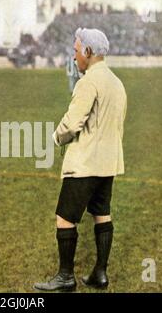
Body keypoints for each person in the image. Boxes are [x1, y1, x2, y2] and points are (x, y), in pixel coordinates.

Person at [34, 28, 127, 292]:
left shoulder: (87, 82)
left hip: (86, 162)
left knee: (65, 218)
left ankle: (65, 276)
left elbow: (72, 123)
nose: (74, 57)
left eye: (76, 51)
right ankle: (100, 273)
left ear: (87, 52)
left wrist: (56, 137)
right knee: (102, 214)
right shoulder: (116, 82)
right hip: (109, 162)